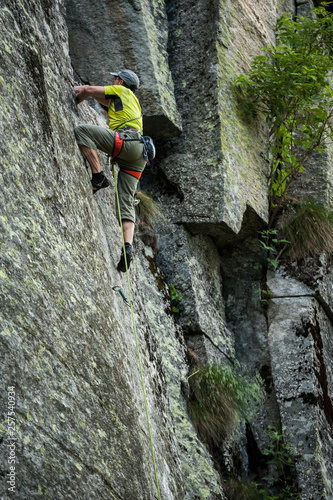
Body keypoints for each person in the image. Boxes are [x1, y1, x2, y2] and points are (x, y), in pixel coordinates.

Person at [74, 69, 147, 272]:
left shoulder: (120, 91)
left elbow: (87, 90)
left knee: (82, 131)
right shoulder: (132, 102)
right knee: (125, 201)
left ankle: (98, 176)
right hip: (139, 155)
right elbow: (101, 99)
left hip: (126, 142)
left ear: (120, 82)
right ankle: (127, 247)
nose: (113, 81)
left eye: (115, 79)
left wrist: (74, 100)